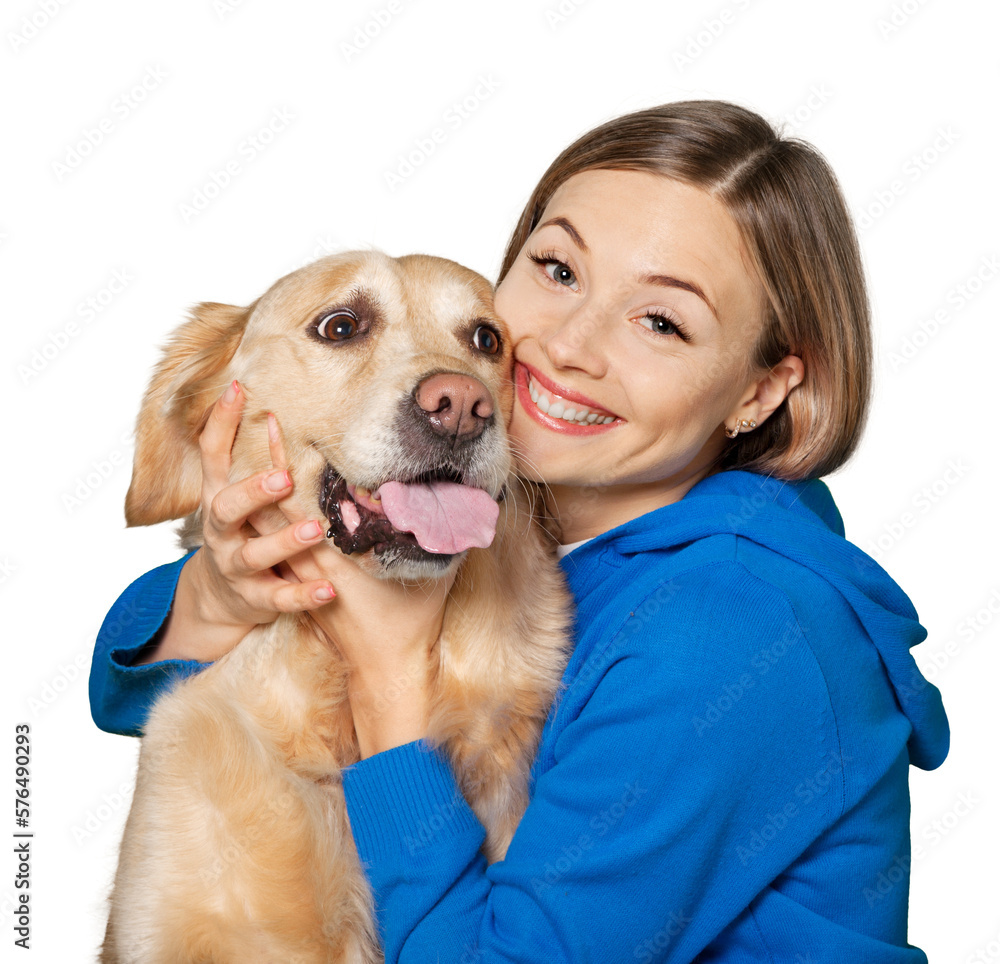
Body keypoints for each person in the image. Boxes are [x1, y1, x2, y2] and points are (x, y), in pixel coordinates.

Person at [89, 100, 948, 962]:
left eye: (662, 321)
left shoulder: (729, 626)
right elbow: (126, 694)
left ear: (760, 393)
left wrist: (390, 674)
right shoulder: (533, 521)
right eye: (559, 270)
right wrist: (215, 591)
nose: (570, 345)